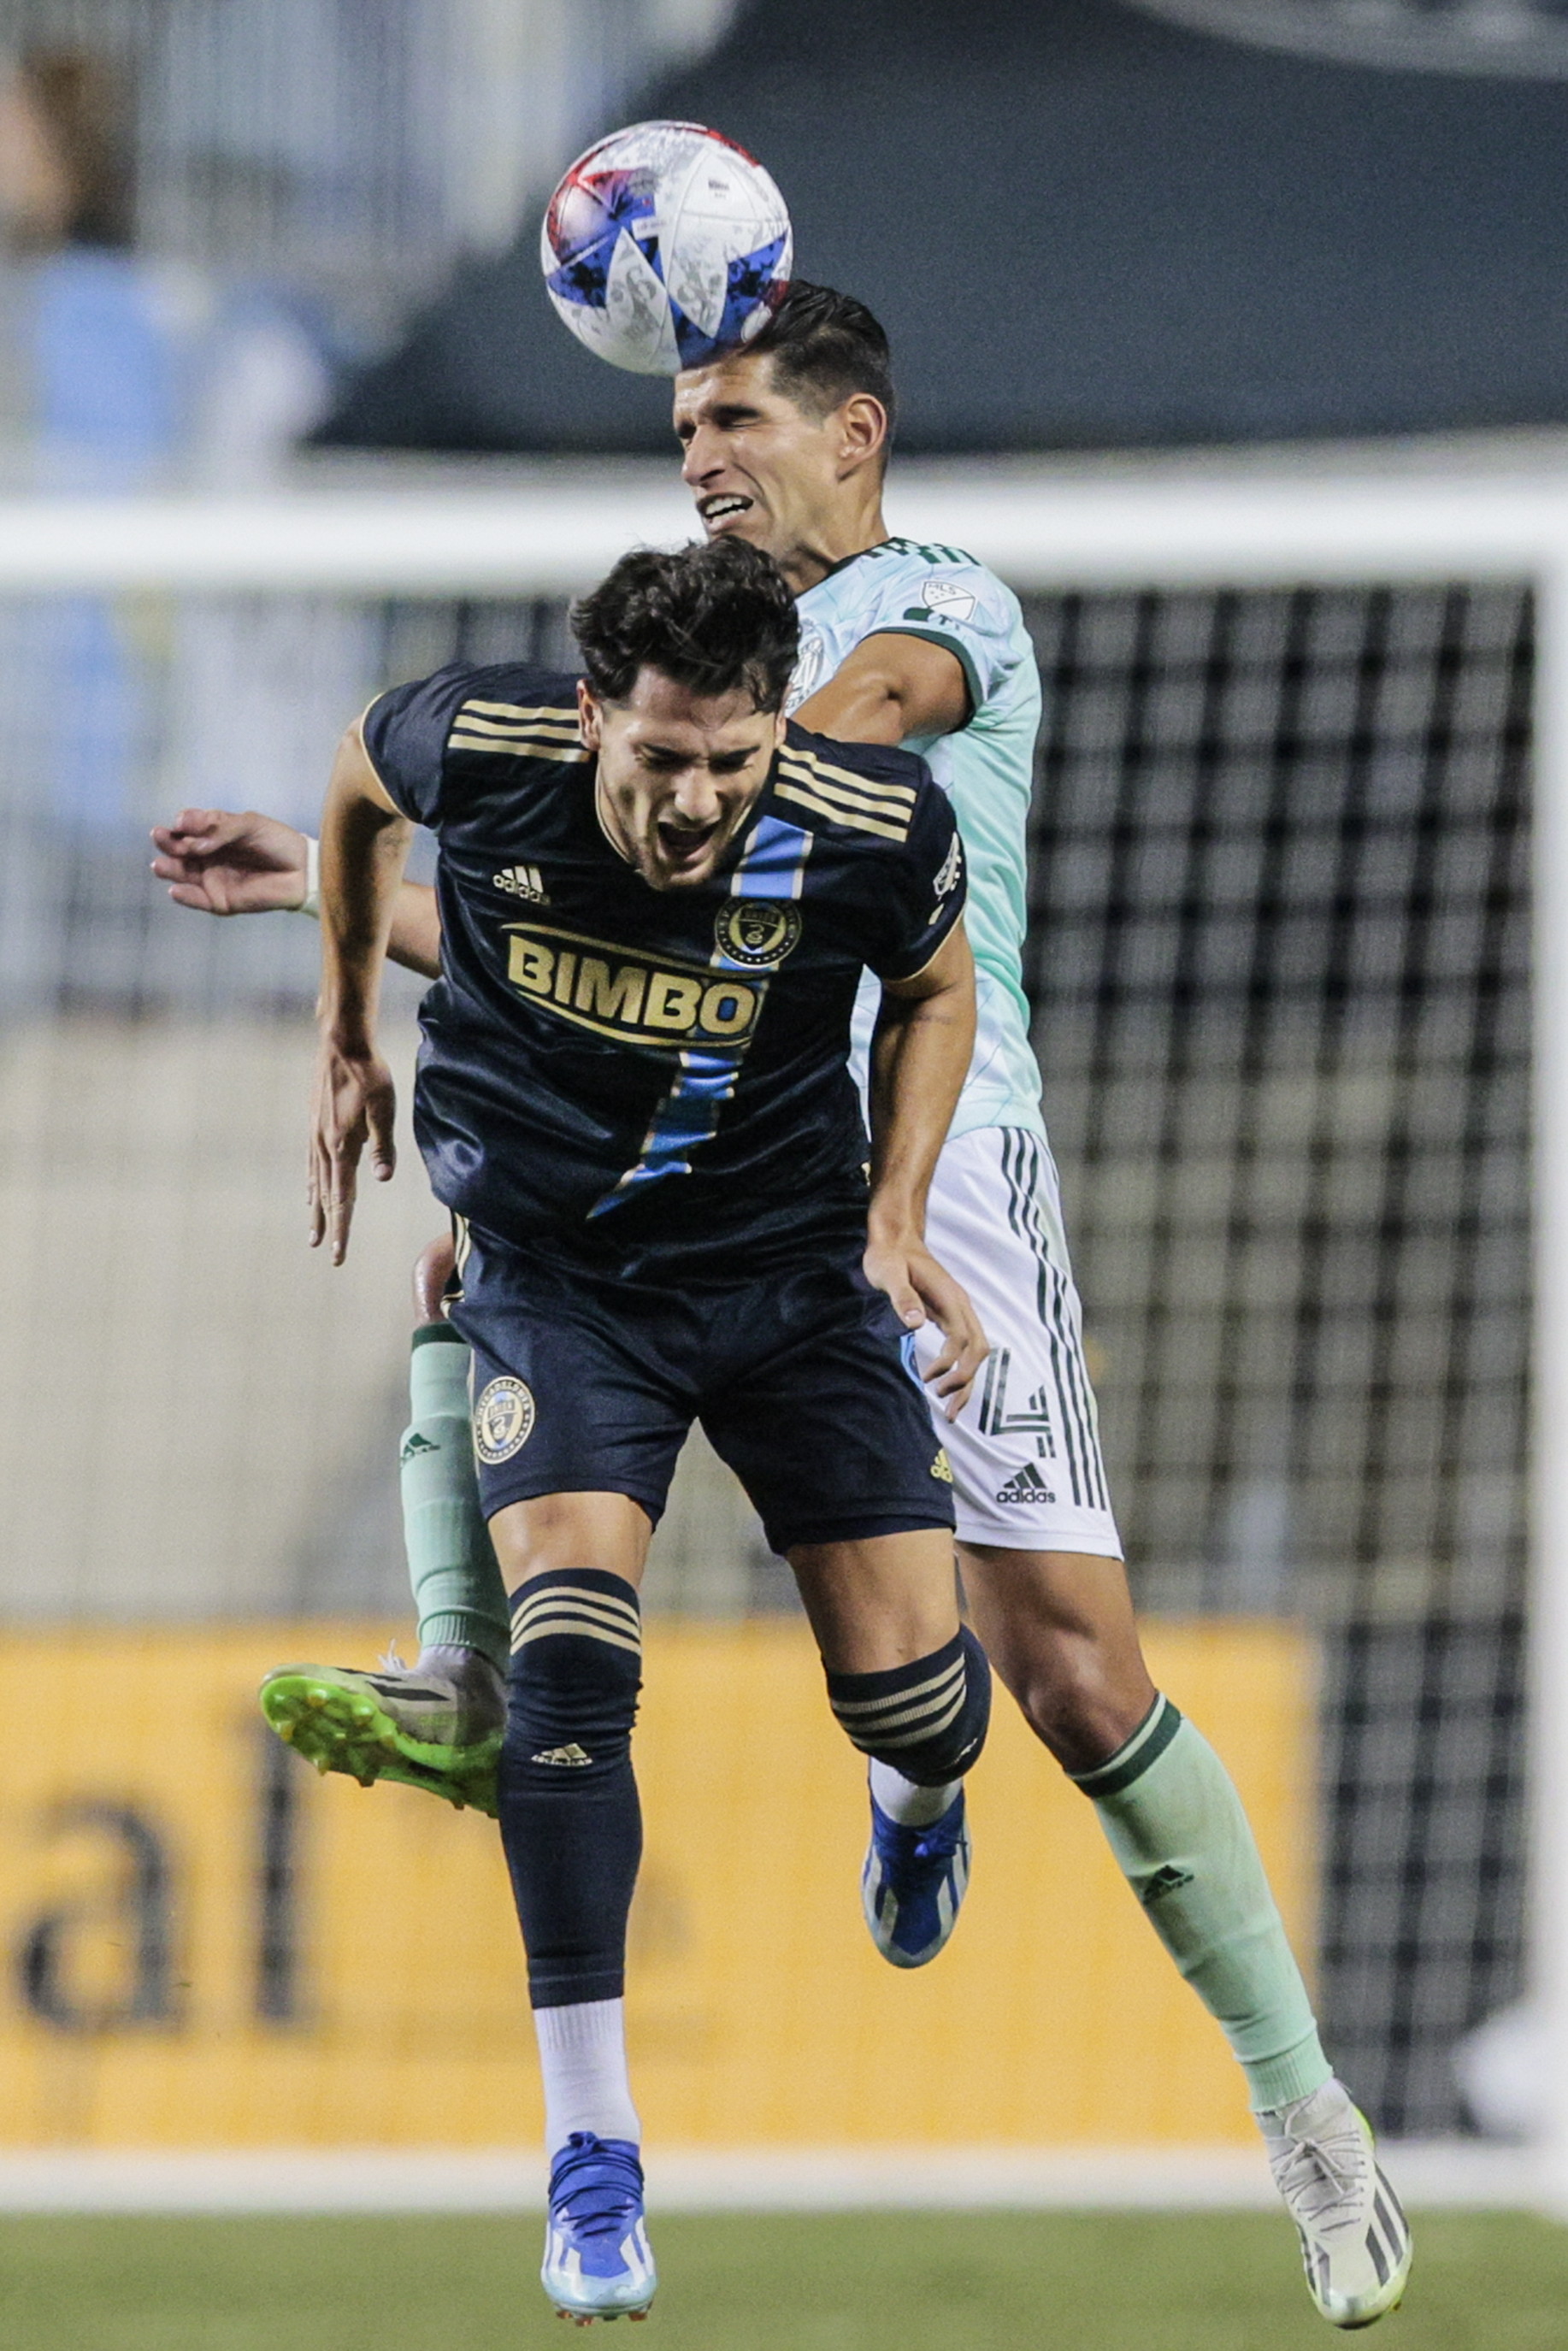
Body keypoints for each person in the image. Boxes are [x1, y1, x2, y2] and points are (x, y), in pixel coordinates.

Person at [153, 285, 1410, 2330]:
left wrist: (663, 750)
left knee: (1064, 1684)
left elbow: (807, 773)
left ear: (856, 429)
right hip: (669, 1150)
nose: (699, 456)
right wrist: (361, 909)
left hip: (928, 1182)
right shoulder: (673, 675)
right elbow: (574, 897)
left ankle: (1292, 2102)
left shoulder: (933, 614)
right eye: (677, 429)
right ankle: (479, 1683)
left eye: (733, 415)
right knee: (474, 1259)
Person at [303, 533, 991, 2319]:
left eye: (731, 761)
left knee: (920, 1699)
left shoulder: (868, 823)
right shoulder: (476, 742)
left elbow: (931, 988)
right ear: (592, 709)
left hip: (782, 1275)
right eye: (659, 757)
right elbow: (352, 789)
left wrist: (898, 1211)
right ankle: (590, 2147)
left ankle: (911, 1804)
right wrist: (343, 1031)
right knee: (571, 1671)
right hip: (560, 1282)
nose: (693, 803)